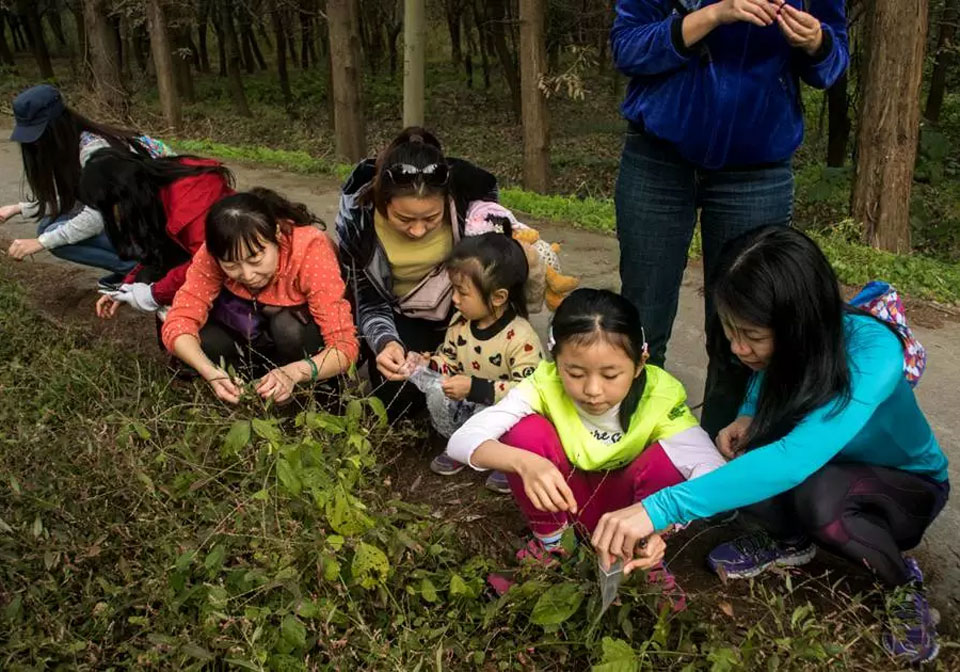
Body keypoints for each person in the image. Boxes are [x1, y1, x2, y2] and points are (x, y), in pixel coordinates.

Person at [590, 228, 950, 664]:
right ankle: (790, 540)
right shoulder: (791, 344)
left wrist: (659, 508)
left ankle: (902, 585)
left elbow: (794, 460)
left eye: (752, 336)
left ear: (798, 322)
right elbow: (769, 378)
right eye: (729, 329)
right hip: (822, 466)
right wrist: (748, 415)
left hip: (902, 488)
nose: (738, 348)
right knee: (744, 454)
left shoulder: (873, 352)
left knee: (818, 495)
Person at [611, 0, 849, 436]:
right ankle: (633, 450)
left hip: (757, 169)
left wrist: (817, 41)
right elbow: (627, 50)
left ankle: (719, 469)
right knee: (643, 319)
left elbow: (830, 66)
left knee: (743, 333)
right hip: (657, 159)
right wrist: (714, 15)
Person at [446, 289, 725, 575]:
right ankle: (552, 545)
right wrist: (525, 463)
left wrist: (662, 519)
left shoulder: (661, 395)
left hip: (630, 514)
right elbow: (462, 441)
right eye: (576, 374)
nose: (592, 390)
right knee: (523, 434)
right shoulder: (545, 383)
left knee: (669, 461)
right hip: (566, 500)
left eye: (610, 375)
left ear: (640, 364)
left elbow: (716, 474)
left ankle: (640, 557)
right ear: (556, 362)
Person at [336, 127, 499, 420]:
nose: (418, 230)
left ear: (447, 201)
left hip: (463, 313)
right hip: (402, 316)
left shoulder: (471, 210)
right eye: (404, 218)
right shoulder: (357, 224)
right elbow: (369, 302)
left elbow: (499, 276)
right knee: (396, 401)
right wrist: (386, 343)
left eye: (431, 218)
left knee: (480, 391)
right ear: (382, 200)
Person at [161, 189, 359, 405]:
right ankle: (247, 383)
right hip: (251, 334)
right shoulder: (213, 253)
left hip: (301, 346)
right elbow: (178, 322)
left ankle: (315, 392)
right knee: (203, 337)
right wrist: (210, 372)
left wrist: (295, 372)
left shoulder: (310, 248)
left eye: (255, 259)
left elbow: (344, 345)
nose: (247, 275)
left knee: (288, 328)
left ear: (276, 234)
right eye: (231, 266)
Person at [406, 231, 544, 494]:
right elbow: (450, 360)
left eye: (462, 292)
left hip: (503, 411)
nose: (455, 300)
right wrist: (430, 364)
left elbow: (532, 390)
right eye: (453, 290)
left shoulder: (520, 338)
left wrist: (476, 388)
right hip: (468, 406)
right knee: (436, 391)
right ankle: (459, 444)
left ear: (498, 297)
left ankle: (506, 458)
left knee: (522, 419)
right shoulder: (459, 325)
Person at [0, 84, 173, 285]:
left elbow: (95, 218)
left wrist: (40, 243)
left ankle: (145, 270)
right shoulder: (76, 143)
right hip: (145, 215)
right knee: (49, 225)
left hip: (167, 220)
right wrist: (18, 209)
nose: (35, 146)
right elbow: (79, 199)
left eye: (38, 136)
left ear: (56, 129)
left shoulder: (95, 152)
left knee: (52, 237)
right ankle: (133, 266)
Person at [78, 148, 234, 320]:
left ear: (122, 195)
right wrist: (125, 289)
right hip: (207, 260)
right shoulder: (151, 194)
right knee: (147, 276)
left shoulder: (190, 198)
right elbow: (157, 254)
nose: (112, 217)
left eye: (108, 208)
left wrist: (154, 294)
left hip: (234, 268)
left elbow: (210, 262)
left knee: (191, 322)